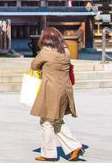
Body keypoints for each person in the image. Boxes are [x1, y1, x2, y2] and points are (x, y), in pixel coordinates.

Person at [30, 27, 86, 161]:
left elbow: (34, 65)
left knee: (47, 121)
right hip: (65, 90)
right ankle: (74, 147)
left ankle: (50, 153)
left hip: (51, 91)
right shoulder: (66, 51)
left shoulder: (46, 52)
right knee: (56, 120)